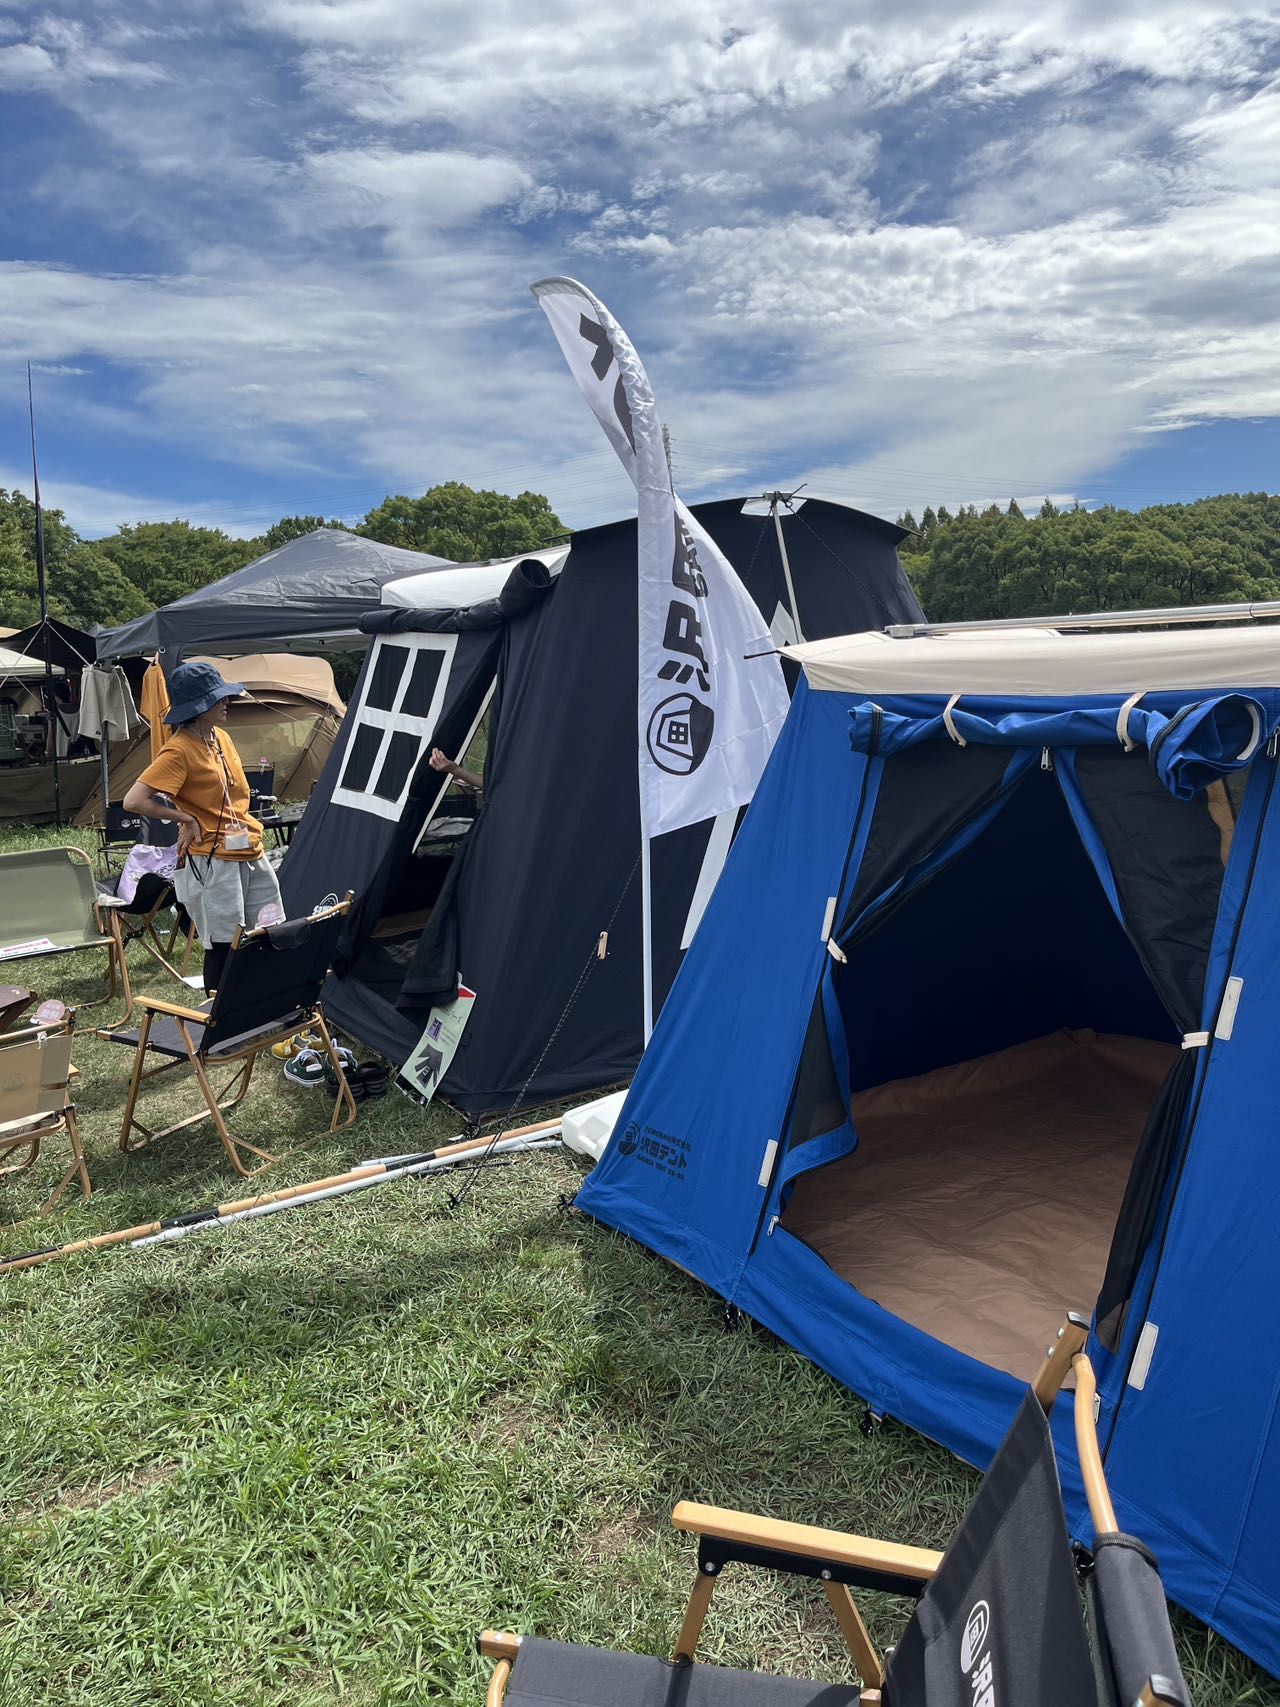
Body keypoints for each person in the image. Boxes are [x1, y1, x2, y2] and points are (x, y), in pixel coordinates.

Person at [123, 661, 283, 994]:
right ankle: (217, 1019)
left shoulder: (220, 737)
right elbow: (134, 800)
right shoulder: (178, 750)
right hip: (213, 859)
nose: (226, 702)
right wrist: (185, 818)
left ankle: (258, 1001)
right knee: (224, 941)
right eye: (218, 698)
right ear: (198, 707)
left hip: (249, 848)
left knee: (265, 929)